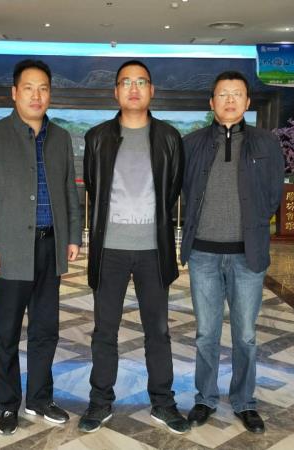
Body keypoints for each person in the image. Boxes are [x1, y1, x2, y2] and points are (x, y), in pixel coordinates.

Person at [0, 59, 82, 436]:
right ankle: (8, 404)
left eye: (43, 88)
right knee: (7, 331)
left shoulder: (60, 137)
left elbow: (69, 191)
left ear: (50, 94)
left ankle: (39, 398)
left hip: (50, 247)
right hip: (10, 249)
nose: (37, 95)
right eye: (29, 88)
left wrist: (73, 236)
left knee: (46, 329)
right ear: (14, 93)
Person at [79, 59, 188, 434]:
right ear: (116, 92)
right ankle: (99, 403)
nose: (134, 88)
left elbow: (172, 189)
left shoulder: (169, 138)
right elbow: (93, 186)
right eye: (126, 82)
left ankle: (163, 403)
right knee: (104, 332)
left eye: (141, 82)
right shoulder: (97, 138)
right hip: (109, 251)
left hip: (153, 252)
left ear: (152, 90)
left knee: (158, 331)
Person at [180, 71, 284, 433]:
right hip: (203, 255)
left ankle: (244, 402)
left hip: (247, 256)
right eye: (222, 94)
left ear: (247, 102)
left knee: (246, 336)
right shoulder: (192, 143)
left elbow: (273, 194)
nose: (229, 100)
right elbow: (184, 190)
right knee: (206, 334)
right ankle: (205, 398)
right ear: (212, 102)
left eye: (236, 94)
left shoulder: (266, 144)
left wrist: (251, 226)